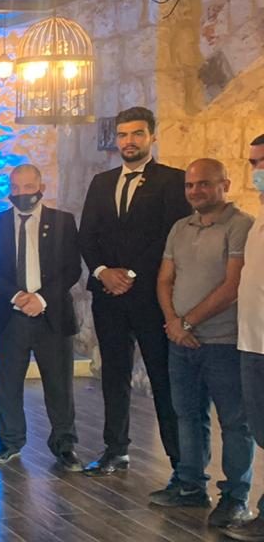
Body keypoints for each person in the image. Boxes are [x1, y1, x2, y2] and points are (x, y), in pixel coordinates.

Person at [78, 107, 189, 477]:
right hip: (108, 295)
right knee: (113, 374)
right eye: (123, 134)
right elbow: (87, 235)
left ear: (152, 136)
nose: (129, 141)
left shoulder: (173, 181)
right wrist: (102, 272)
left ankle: (180, 462)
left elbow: (170, 236)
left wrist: (131, 274)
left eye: (137, 134)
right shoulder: (101, 182)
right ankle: (115, 449)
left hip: (152, 296)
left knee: (162, 376)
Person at [151, 158, 254, 528]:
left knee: (235, 423)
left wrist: (187, 322)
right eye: (190, 185)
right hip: (181, 342)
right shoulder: (180, 227)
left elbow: (232, 285)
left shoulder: (242, 226)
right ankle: (190, 485)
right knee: (187, 416)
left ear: (225, 184)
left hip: (223, 342)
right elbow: (165, 279)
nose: (196, 191)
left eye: (204, 184)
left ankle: (236, 498)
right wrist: (173, 323)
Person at [0, 164, 83, 471]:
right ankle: (9, 441)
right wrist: (17, 296)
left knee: (59, 384)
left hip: (52, 314)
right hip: (11, 315)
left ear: (41, 188)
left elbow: (72, 269)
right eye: (15, 187)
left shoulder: (63, 222)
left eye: (27, 187)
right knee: (8, 384)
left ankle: (64, 445)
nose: (21, 193)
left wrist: (41, 298)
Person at [228, 135, 264, 542]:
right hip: (253, 341)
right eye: (253, 162)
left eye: (262, 162)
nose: (257, 170)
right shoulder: (258, 220)